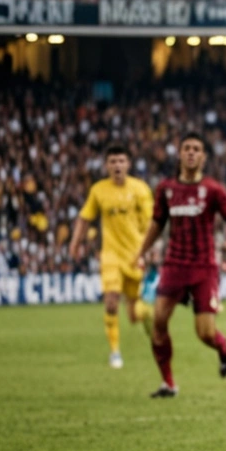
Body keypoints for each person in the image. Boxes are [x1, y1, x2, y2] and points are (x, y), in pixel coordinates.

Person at [134, 132, 226, 398]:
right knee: (158, 322)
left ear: (203, 156)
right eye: (187, 148)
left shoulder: (214, 189)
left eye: (196, 149)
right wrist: (141, 252)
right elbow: (157, 224)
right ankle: (168, 384)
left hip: (204, 268)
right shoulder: (166, 189)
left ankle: (222, 345)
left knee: (204, 334)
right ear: (180, 153)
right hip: (174, 265)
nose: (191, 153)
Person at [68, 146, 155, 368]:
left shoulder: (140, 189)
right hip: (110, 256)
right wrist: (75, 244)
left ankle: (147, 315)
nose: (117, 165)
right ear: (107, 165)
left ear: (128, 164)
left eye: (121, 161)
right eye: (113, 161)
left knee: (134, 314)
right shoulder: (98, 190)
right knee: (111, 302)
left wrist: (148, 251)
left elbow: (152, 224)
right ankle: (115, 352)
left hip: (135, 256)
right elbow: (84, 218)